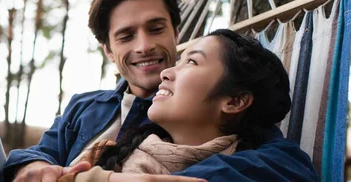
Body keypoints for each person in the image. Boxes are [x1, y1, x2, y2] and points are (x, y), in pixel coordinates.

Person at [5, 0, 318, 182]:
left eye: (156, 29)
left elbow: (286, 165)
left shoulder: (210, 114)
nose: (145, 46)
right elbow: (38, 153)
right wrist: (33, 164)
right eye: (126, 36)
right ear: (109, 53)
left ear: (176, 32)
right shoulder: (84, 107)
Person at [56, 29, 306, 181]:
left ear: (234, 100)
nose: (166, 72)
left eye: (192, 62)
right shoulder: (106, 154)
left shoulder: (264, 166)